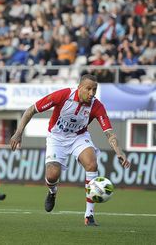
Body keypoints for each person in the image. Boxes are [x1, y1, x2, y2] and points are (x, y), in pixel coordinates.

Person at [9, 74, 131, 226]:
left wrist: (119, 151)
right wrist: (18, 133)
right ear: (80, 88)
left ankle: (89, 215)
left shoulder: (96, 106)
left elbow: (109, 132)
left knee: (92, 164)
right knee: (52, 175)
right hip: (56, 137)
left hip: (79, 137)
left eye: (94, 90)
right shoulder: (63, 95)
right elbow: (30, 110)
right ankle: (52, 192)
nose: (92, 93)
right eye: (88, 89)